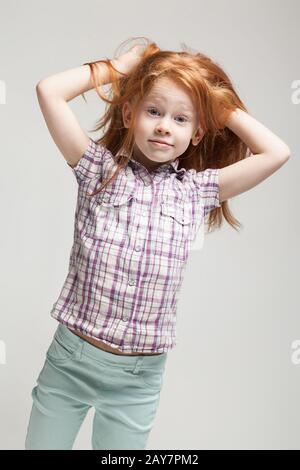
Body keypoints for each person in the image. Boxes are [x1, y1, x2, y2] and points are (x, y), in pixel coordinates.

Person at [25, 36, 291, 450]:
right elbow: (49, 91)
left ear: (199, 133)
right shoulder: (98, 170)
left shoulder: (195, 192)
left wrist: (220, 106)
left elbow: (276, 152)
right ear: (129, 114)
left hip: (137, 380)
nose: (165, 125)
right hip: (70, 360)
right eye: (154, 111)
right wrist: (118, 68)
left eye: (182, 119)